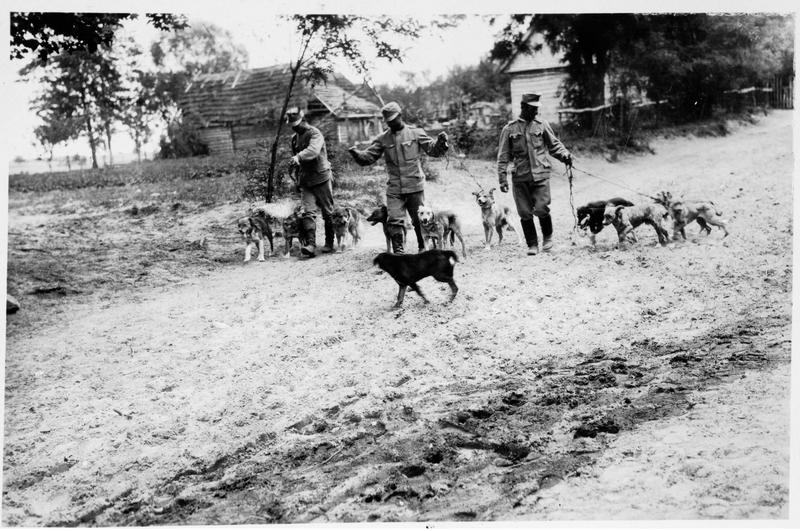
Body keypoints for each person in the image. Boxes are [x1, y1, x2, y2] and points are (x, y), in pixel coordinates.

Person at [347, 101, 449, 254]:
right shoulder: (383, 139)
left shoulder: (416, 133)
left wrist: (441, 143)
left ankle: (423, 248)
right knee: (394, 219)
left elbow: (433, 150)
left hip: (414, 185)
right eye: (389, 122)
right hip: (394, 187)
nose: (392, 124)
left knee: (419, 219)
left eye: (394, 120)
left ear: (400, 116)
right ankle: (399, 253)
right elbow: (368, 157)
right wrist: (357, 154)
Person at [497, 93, 574, 255]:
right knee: (524, 212)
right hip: (520, 177)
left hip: (541, 175)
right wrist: (502, 178)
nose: (535, 112)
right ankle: (532, 244)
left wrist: (565, 156)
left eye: (537, 109)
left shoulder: (542, 125)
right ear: (523, 107)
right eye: (532, 109)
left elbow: (554, 145)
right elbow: (503, 156)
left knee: (541, 208)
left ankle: (547, 238)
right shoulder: (509, 129)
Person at [287, 107, 335, 257]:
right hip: (306, 181)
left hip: (321, 178)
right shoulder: (294, 139)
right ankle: (311, 245)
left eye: (296, 124)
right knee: (308, 213)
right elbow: (296, 162)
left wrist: (298, 157)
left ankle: (329, 242)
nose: (295, 127)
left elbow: (313, 151)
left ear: (303, 121)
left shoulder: (315, 133)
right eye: (293, 125)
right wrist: (296, 178)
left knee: (328, 212)